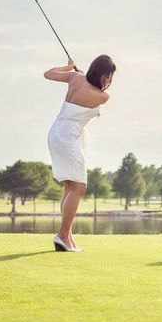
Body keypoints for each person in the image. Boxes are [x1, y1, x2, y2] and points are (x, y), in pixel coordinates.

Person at [44, 54, 116, 252]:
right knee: (79, 186)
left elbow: (48, 74)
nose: (109, 81)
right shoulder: (103, 96)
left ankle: (67, 236)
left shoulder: (75, 78)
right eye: (109, 76)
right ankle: (62, 234)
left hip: (56, 131)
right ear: (103, 75)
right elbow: (97, 91)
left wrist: (69, 68)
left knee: (70, 186)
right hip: (68, 136)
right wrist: (79, 73)